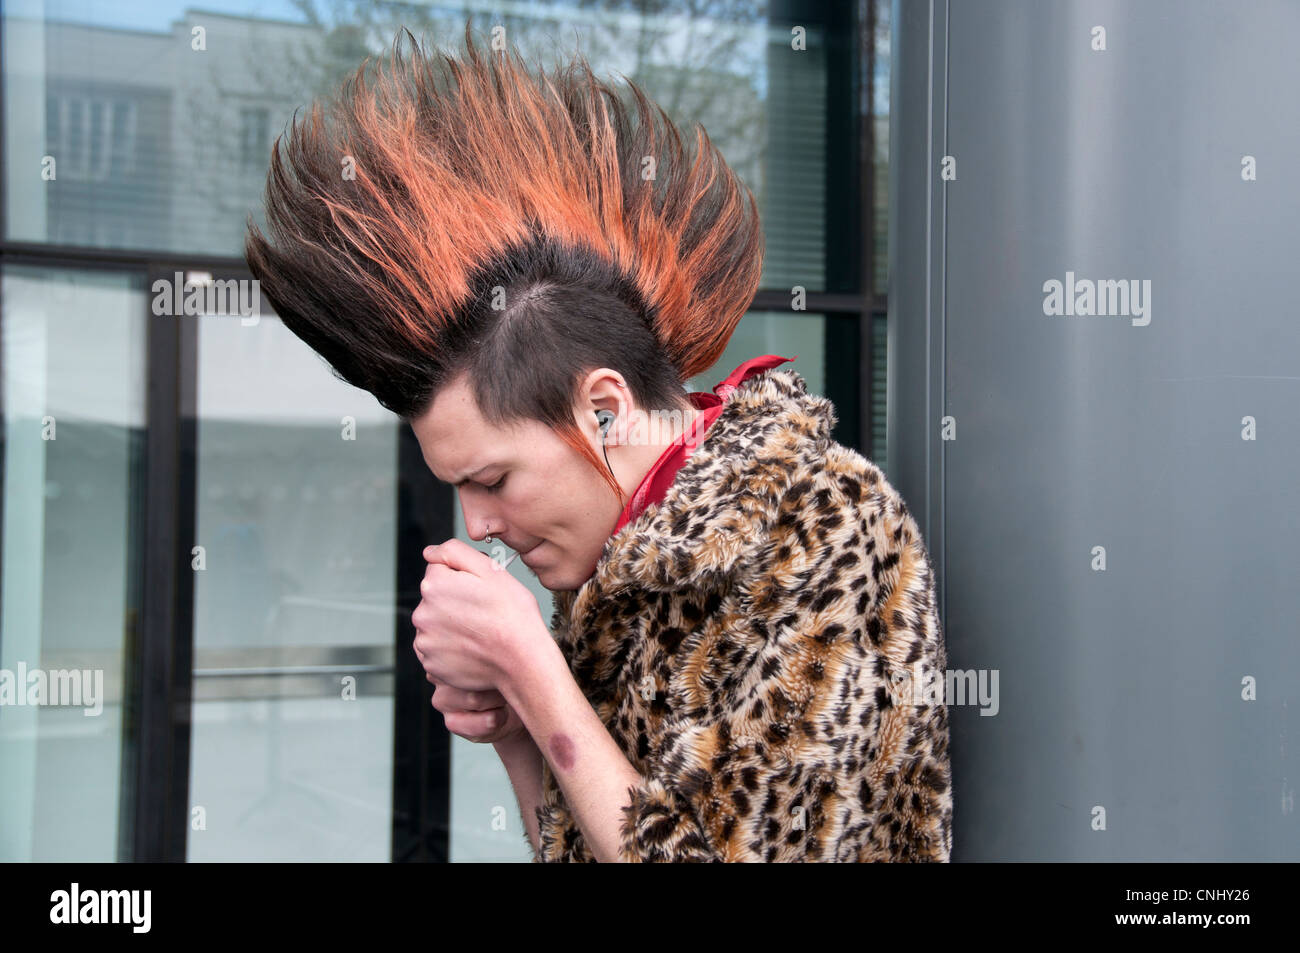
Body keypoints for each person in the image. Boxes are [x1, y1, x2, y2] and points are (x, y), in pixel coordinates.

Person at [244, 23, 953, 862]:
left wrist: (536, 676)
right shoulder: (616, 562)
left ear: (605, 412)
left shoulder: (823, 523)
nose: (477, 524)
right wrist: (515, 723)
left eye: (494, 477)